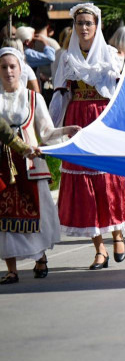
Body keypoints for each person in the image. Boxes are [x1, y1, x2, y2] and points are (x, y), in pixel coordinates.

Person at [50, 3, 125, 270]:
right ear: (74, 27)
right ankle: (99, 248)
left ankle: (118, 235)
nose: (84, 28)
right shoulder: (66, 58)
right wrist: (50, 130)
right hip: (78, 121)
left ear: (97, 26)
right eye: (80, 24)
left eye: (89, 23)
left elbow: (124, 92)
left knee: (109, 179)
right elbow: (60, 96)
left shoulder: (111, 56)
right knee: (84, 186)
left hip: (104, 119)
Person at [0, 48, 79, 284]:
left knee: (38, 215)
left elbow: (45, 133)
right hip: (4, 166)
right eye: (3, 67)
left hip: (31, 167)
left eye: (12, 66)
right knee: (4, 218)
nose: (8, 71)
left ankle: (40, 258)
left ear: (21, 69)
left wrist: (66, 131)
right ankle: (11, 268)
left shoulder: (34, 98)